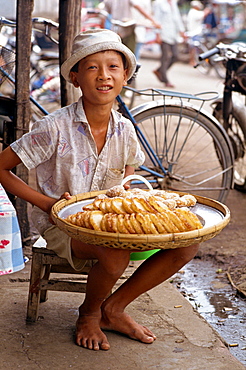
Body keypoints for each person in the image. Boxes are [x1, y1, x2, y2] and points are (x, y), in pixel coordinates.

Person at [0, 29, 199, 351]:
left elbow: (128, 174)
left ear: (125, 77)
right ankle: (89, 313)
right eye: (92, 67)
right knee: (114, 249)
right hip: (61, 226)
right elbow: (1, 167)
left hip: (111, 222)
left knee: (188, 244)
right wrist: (48, 204)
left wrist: (129, 191)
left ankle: (113, 308)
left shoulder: (125, 129)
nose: (103, 76)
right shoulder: (53, 127)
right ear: (76, 78)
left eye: (113, 67)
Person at [153, 0, 185, 88]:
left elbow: (177, 18)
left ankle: (159, 71)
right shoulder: (159, 3)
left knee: (176, 56)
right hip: (163, 34)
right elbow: (156, 19)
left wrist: (182, 31)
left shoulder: (174, 3)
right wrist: (157, 34)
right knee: (165, 57)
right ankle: (165, 80)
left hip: (173, 34)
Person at [186, 0, 211, 65]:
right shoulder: (194, 12)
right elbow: (203, 14)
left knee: (194, 48)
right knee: (194, 48)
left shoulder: (192, 12)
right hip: (194, 33)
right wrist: (208, 9)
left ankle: (194, 60)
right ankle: (193, 61)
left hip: (193, 33)